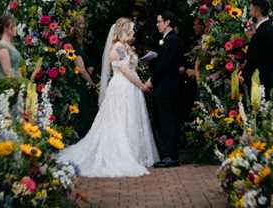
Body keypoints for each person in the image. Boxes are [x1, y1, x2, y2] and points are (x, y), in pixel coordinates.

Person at [57, 18, 158, 177]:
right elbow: (125, 69)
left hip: (129, 86)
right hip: (122, 87)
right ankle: (121, 153)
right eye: (130, 30)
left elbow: (131, 67)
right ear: (122, 31)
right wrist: (141, 85)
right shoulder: (117, 48)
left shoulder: (124, 47)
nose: (132, 33)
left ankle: (134, 152)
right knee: (119, 120)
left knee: (129, 119)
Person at [145, 11, 183, 168]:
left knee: (167, 120)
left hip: (167, 86)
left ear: (167, 22)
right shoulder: (167, 39)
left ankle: (170, 156)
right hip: (167, 85)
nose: (157, 24)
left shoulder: (172, 40)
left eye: (159, 21)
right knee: (165, 119)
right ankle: (167, 154)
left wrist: (152, 81)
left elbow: (164, 64)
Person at [242, 0, 273, 100]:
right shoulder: (265, 29)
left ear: (257, 11)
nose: (249, 13)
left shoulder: (264, 31)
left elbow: (255, 58)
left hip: (261, 80)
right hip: (264, 77)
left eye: (250, 10)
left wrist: (243, 75)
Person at [70, 15, 97, 137]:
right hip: (78, 82)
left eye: (83, 24)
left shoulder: (84, 42)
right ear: (74, 26)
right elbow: (80, 68)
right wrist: (92, 84)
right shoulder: (71, 42)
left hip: (85, 80)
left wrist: (90, 66)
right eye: (79, 24)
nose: (82, 26)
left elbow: (87, 62)